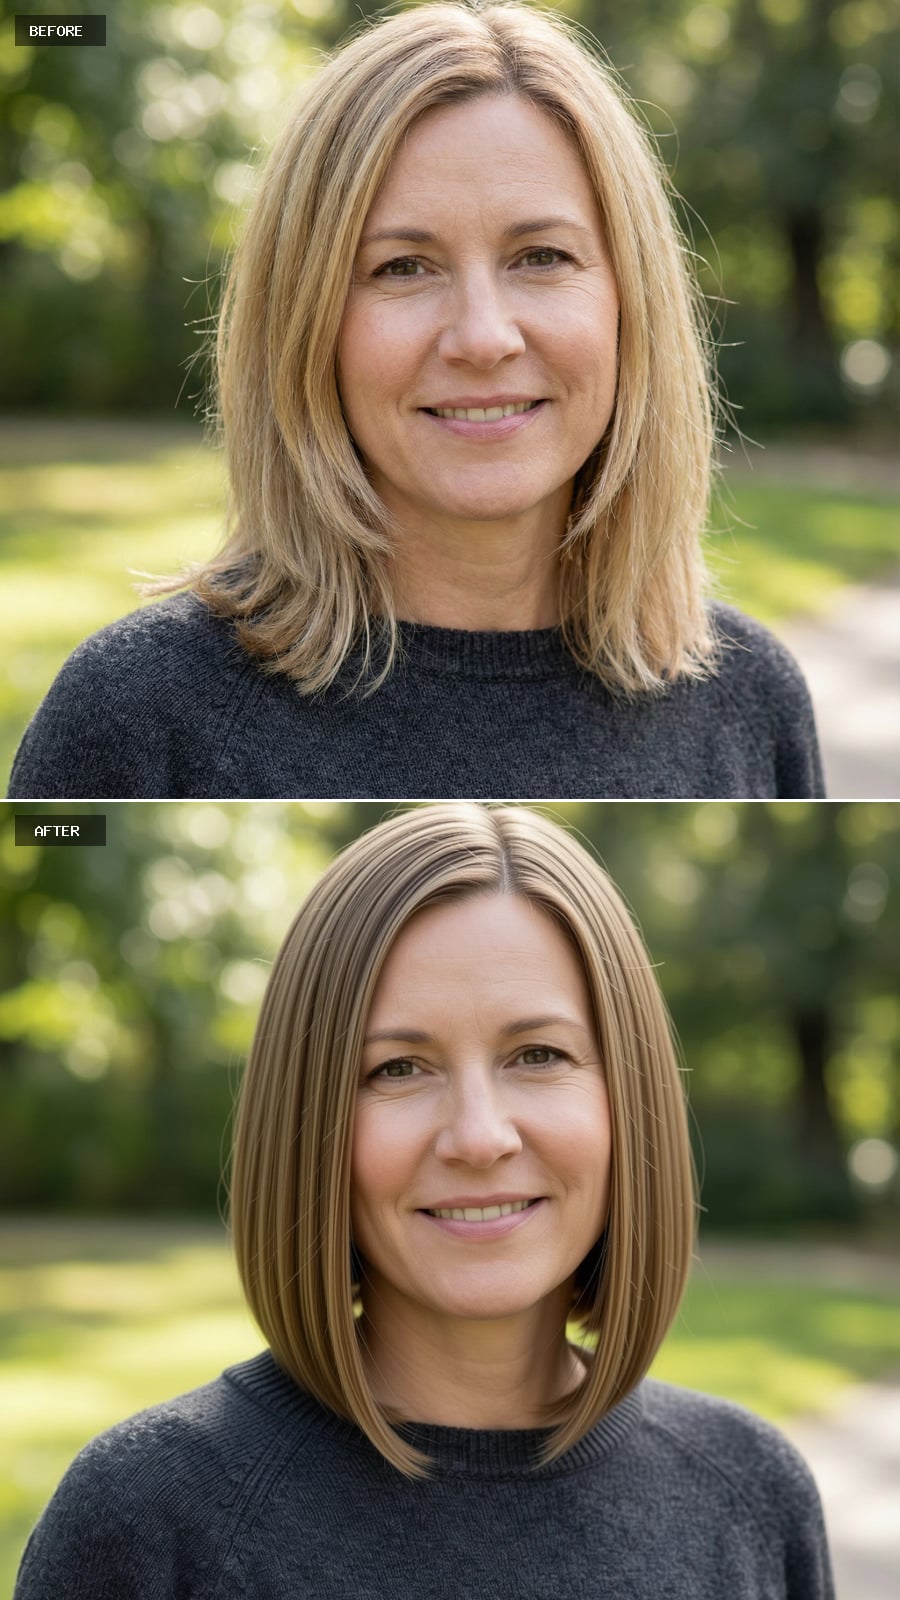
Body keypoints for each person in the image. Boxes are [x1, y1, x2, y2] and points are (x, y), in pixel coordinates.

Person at [15, 804, 834, 1598]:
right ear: (306, 1122)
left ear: (630, 1095)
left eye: (538, 1055)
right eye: (397, 1069)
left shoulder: (752, 1497)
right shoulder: (150, 1520)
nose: (479, 1137)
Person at [8, 2, 822, 800]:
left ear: (630, 302)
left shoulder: (752, 703)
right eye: (402, 267)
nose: (483, 337)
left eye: (541, 256)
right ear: (305, 324)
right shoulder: (138, 718)